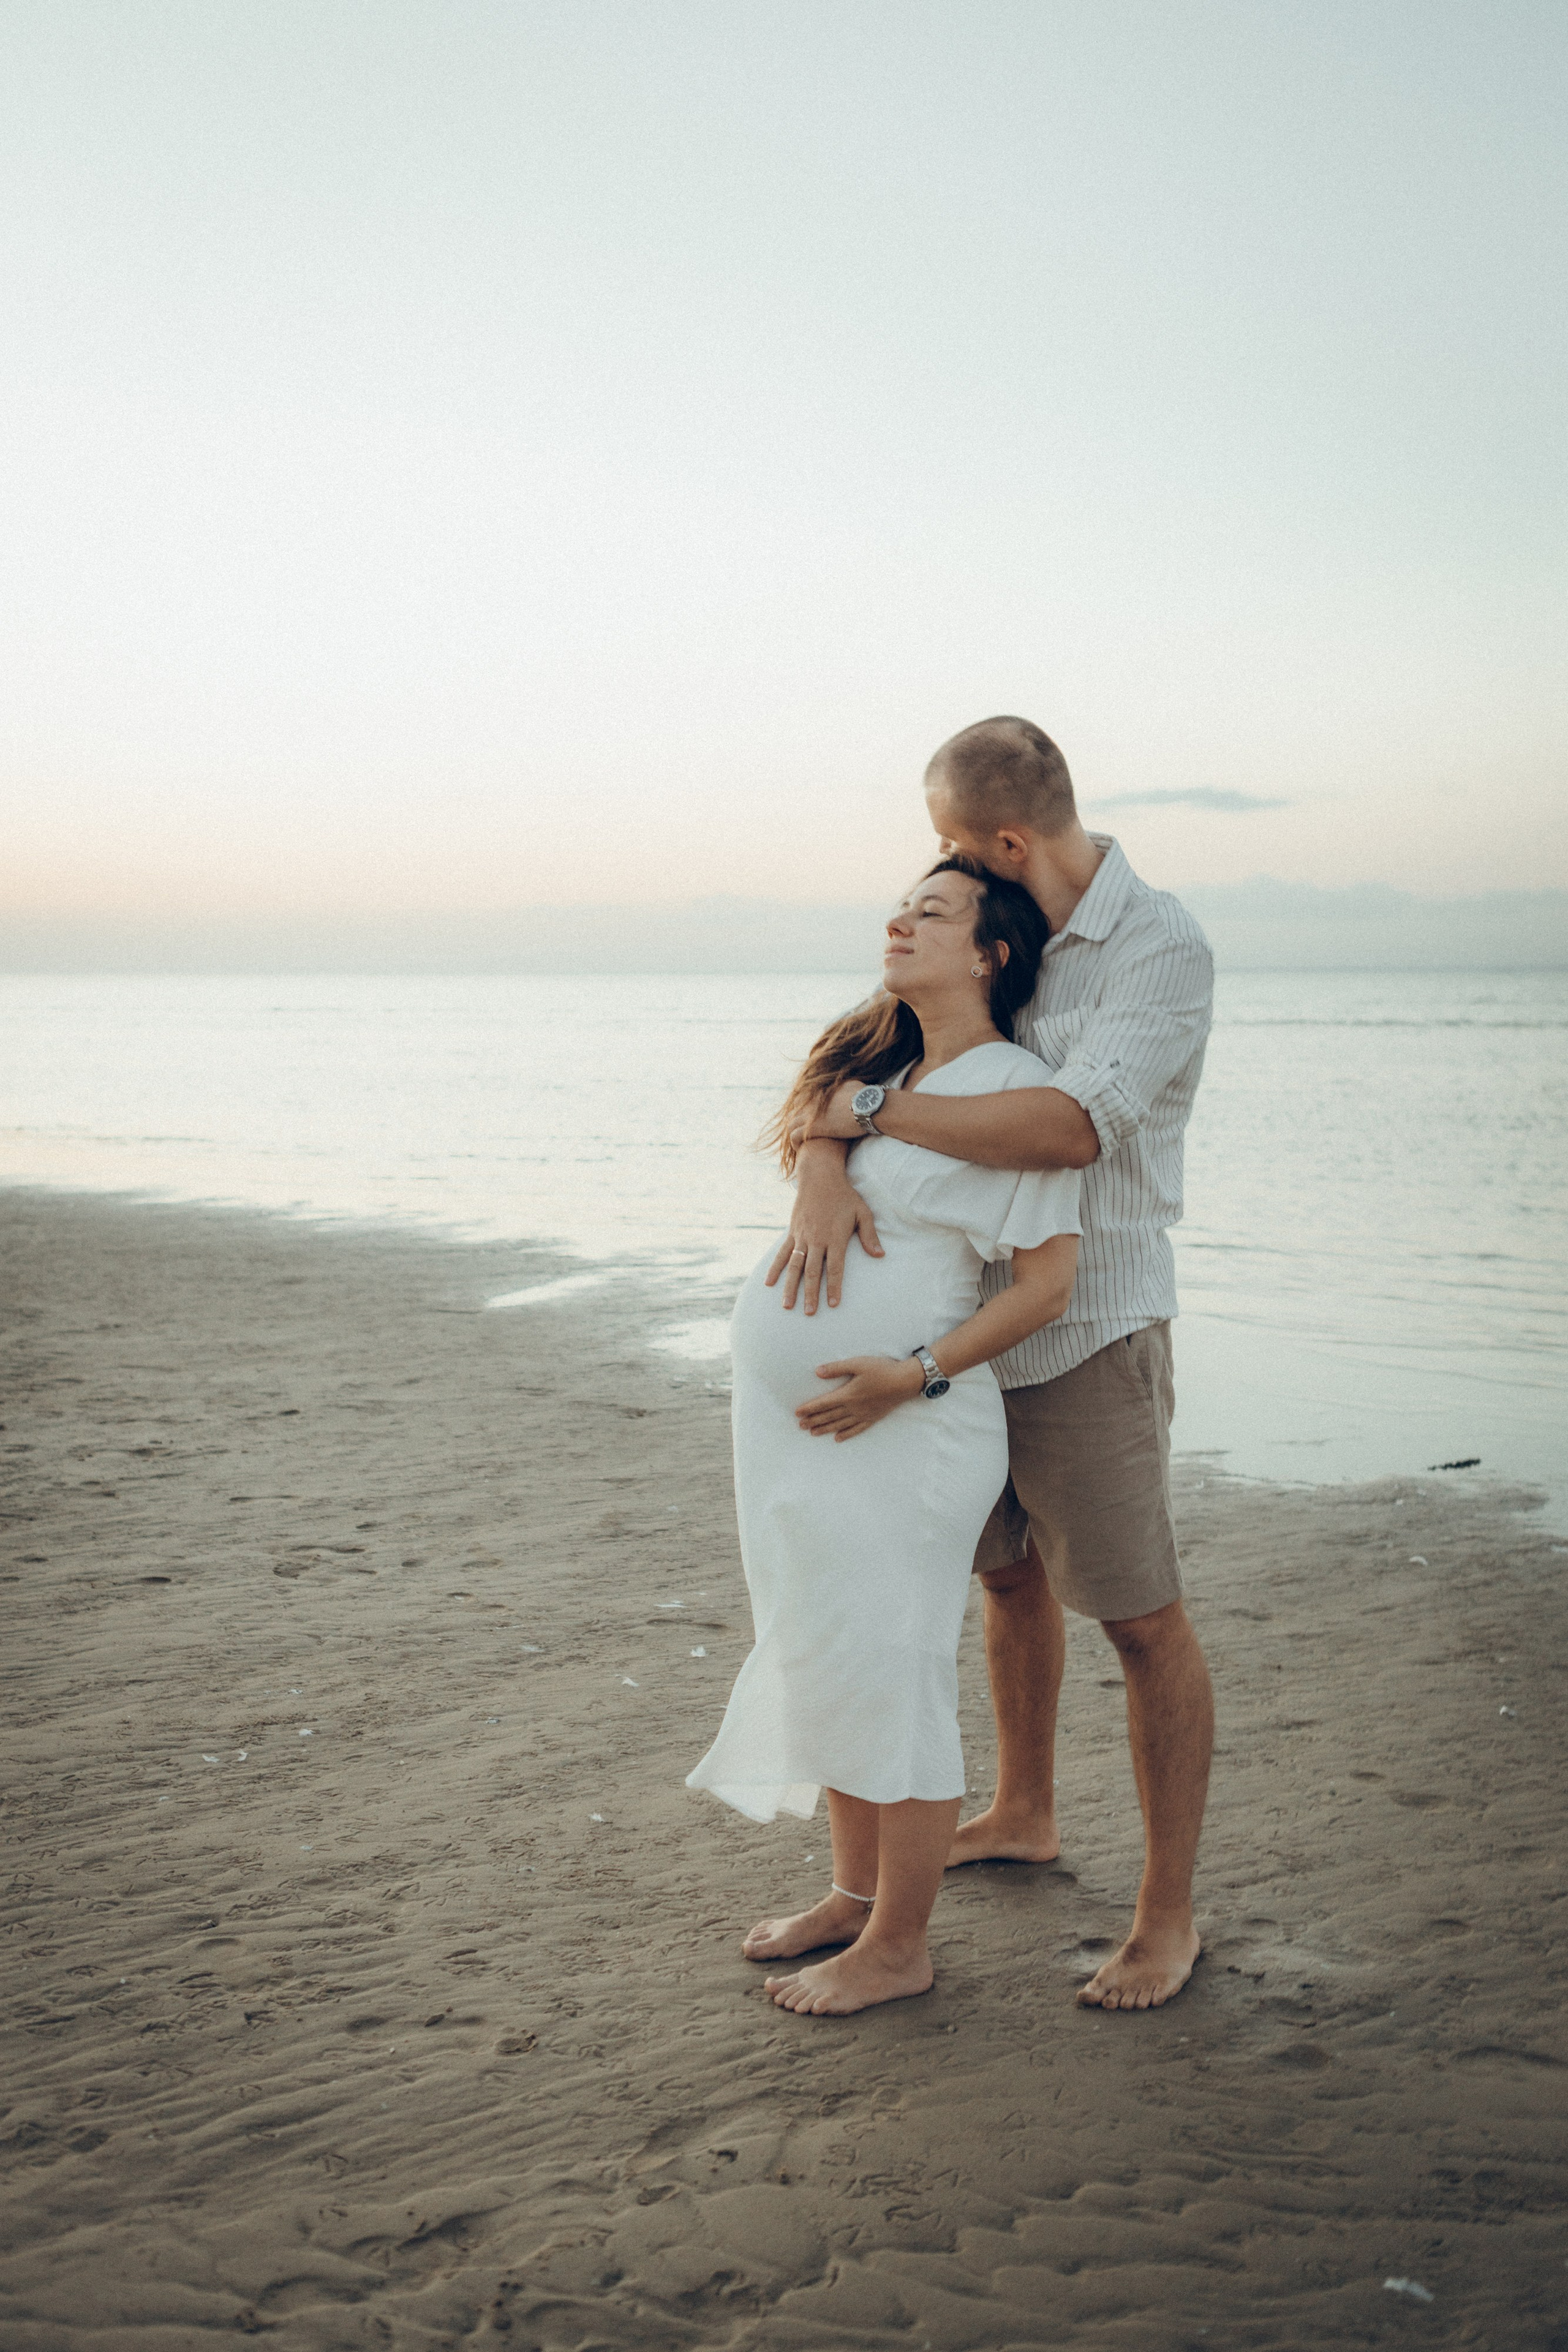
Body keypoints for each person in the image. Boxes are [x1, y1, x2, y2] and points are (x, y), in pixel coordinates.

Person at [776, 717, 1215, 2013]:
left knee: (1136, 1616)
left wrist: (869, 1116)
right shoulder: (992, 922)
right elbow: (849, 1065)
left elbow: (1071, 1129)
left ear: (1008, 842)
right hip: (959, 1333)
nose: (938, 867)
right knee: (1002, 1577)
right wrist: (819, 1149)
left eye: (955, 846)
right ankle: (1021, 1810)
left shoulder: (1156, 945)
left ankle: (1165, 1914)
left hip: (1087, 1325)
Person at [687, 856, 1082, 2018]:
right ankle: (853, 1898)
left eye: (936, 912)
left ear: (990, 953)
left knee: (895, 1666)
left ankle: (901, 1943)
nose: (901, 922)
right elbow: (819, 1135)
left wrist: (911, 1377)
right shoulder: (879, 1068)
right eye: (902, 906)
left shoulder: (1011, 1088)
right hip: (800, 1428)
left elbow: (1045, 1286)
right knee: (823, 1645)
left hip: (907, 1432)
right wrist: (817, 1155)